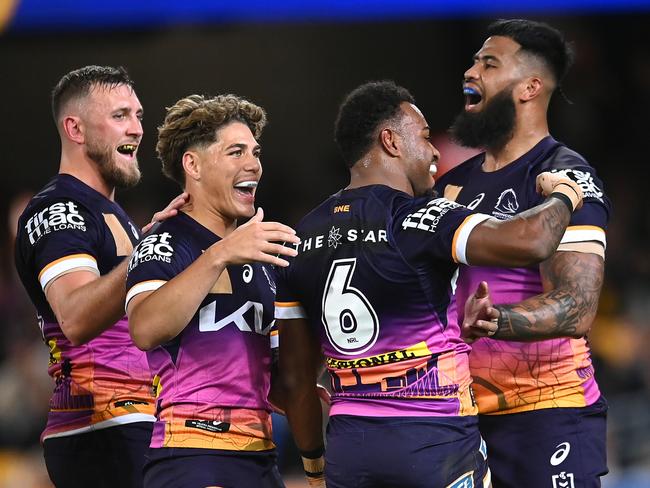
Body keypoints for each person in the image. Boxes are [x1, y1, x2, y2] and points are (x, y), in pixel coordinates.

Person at [274, 80, 585, 488]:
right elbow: (532, 240)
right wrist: (565, 194)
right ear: (391, 141)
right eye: (423, 136)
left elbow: (296, 381)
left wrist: (315, 467)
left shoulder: (301, 238)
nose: (436, 151)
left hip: (350, 450)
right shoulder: (420, 217)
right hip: (434, 438)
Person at [437, 19, 611, 487]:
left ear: (530, 87)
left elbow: (577, 306)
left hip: (545, 412)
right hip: (461, 414)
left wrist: (499, 320)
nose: (470, 72)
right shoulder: (453, 183)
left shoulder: (564, 176)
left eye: (488, 63)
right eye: (473, 60)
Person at [14, 65, 187, 487]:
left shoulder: (110, 213)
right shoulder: (60, 210)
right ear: (75, 128)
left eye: (138, 115)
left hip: (132, 420)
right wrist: (150, 253)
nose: (136, 129)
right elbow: (74, 316)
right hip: (102, 426)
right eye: (119, 116)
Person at [125, 93, 299, 488]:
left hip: (260, 457)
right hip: (191, 457)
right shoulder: (163, 243)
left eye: (255, 152)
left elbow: (266, 371)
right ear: (193, 164)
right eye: (235, 152)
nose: (253, 163)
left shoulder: (261, 254)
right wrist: (219, 255)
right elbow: (144, 327)